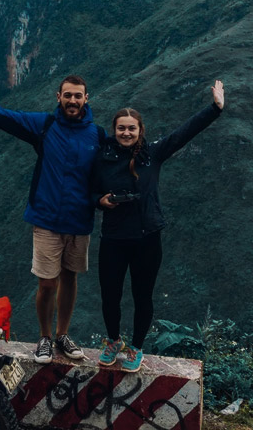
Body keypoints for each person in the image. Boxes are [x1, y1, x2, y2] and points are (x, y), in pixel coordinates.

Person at [0, 66, 105, 364]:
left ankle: (62, 334)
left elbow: (118, 165)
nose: (73, 101)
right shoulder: (45, 126)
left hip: (80, 222)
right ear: (59, 97)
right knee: (47, 283)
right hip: (47, 220)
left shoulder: (98, 135)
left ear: (87, 99)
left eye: (78, 96)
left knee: (70, 279)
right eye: (68, 96)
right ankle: (44, 337)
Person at [91, 80, 225, 372]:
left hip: (147, 238)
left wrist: (215, 108)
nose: (126, 133)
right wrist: (100, 201)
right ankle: (113, 341)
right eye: (121, 128)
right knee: (110, 295)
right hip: (113, 238)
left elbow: (184, 133)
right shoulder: (102, 158)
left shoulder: (152, 154)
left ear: (140, 131)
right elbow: (85, 191)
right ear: (114, 130)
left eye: (132, 128)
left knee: (143, 295)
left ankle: (136, 347)